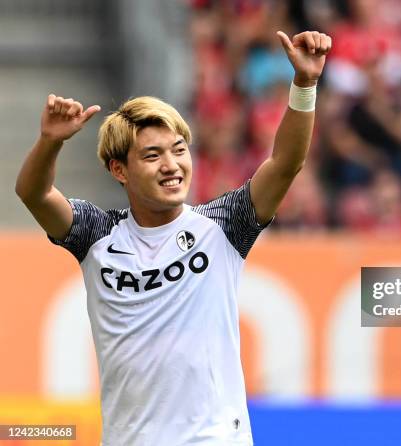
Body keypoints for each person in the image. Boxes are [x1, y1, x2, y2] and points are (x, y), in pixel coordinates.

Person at [15, 30, 331, 446]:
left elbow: (286, 163)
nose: (172, 165)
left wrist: (305, 84)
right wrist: (50, 143)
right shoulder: (96, 234)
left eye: (179, 150)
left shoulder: (224, 224)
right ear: (119, 170)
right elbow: (33, 194)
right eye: (152, 155)